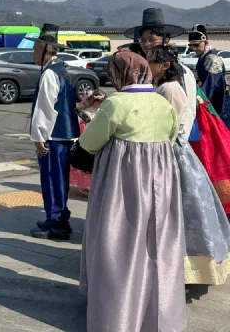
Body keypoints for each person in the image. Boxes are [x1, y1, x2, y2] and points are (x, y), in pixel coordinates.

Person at [78, 51, 185, 332]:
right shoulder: (162, 103)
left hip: (122, 182)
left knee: (120, 242)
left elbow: (90, 142)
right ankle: (158, 314)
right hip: (161, 180)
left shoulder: (117, 102)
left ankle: (117, 316)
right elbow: (172, 137)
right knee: (157, 243)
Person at [147, 45, 230, 286]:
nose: (148, 66)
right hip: (170, 150)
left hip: (172, 152)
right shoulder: (164, 85)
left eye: (152, 61)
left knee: (178, 212)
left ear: (163, 65)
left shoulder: (170, 89)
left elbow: (170, 126)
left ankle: (179, 270)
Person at [27, 24, 79, 240]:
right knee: (59, 180)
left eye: (35, 49)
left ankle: (55, 223)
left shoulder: (50, 73)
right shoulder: (62, 69)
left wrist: (39, 136)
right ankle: (58, 219)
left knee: (52, 180)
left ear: (45, 49)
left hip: (53, 137)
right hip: (63, 136)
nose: (34, 53)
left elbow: (46, 108)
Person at [189, 24, 230, 129]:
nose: (194, 48)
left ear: (206, 42)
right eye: (191, 46)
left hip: (217, 103)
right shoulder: (203, 56)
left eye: (197, 45)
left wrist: (198, 101)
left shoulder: (212, 58)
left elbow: (210, 85)